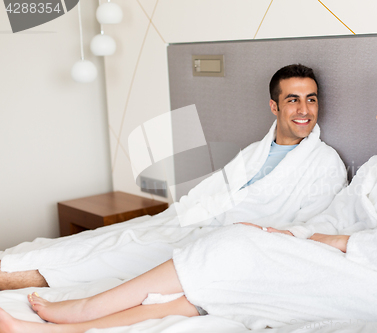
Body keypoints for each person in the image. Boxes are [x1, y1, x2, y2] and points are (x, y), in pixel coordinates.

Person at [0, 61, 377, 333]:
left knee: (227, 248)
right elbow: (338, 212)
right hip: (353, 266)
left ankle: (82, 310)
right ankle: (64, 328)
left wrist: (333, 243)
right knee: (221, 275)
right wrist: (289, 234)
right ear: (273, 105)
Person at [0, 64, 347, 290]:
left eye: (311, 100)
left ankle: (19, 278)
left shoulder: (325, 163)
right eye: (293, 100)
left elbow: (313, 229)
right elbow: (215, 188)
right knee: (117, 235)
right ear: (275, 107)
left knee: (128, 254)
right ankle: (17, 263)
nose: (304, 110)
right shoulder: (256, 150)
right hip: (196, 221)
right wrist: (185, 215)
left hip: (232, 241)